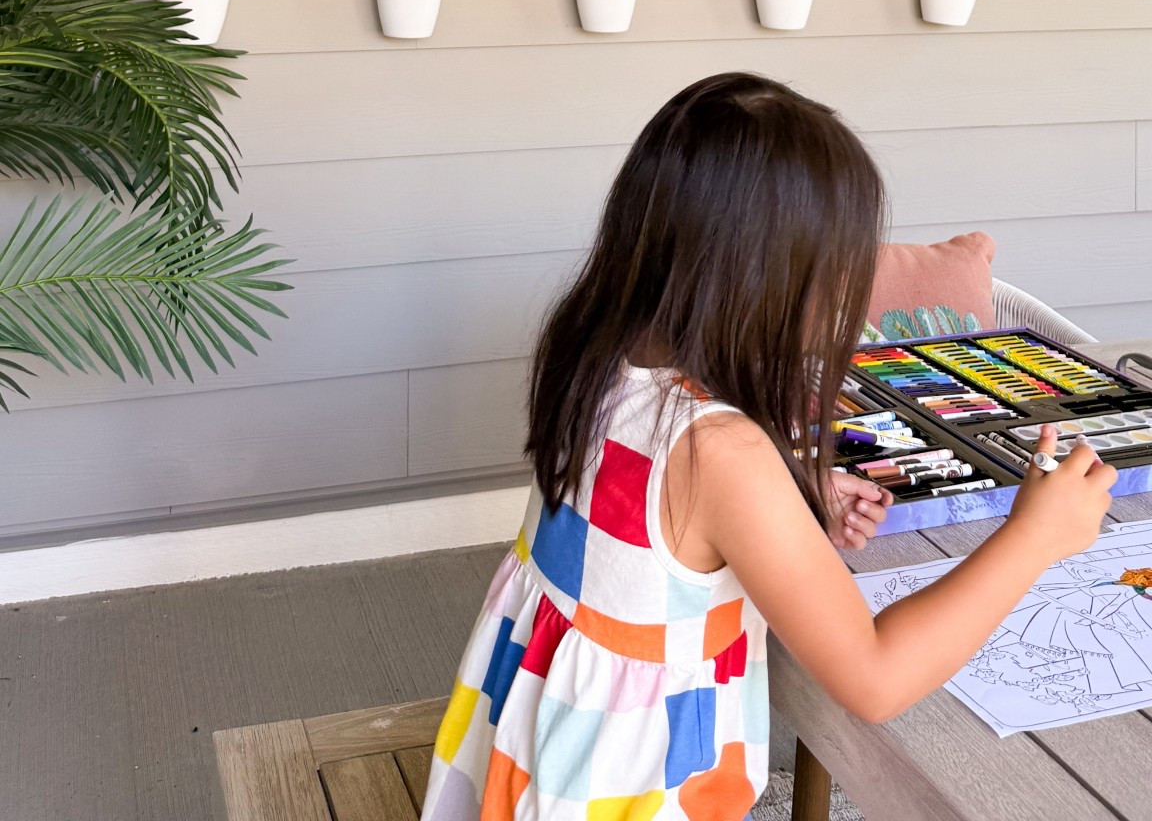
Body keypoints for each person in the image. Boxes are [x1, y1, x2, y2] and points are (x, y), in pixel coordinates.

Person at [423, 72, 1115, 821]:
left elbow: (640, 521)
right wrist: (1034, 536)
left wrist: (788, 501)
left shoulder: (593, 346)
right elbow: (875, 679)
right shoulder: (721, 452)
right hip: (634, 787)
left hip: (544, 745)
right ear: (769, 279)